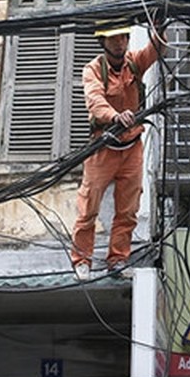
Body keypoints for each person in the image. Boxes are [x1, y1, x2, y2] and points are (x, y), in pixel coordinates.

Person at [70, 21, 165, 280]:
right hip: (103, 147)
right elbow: (95, 101)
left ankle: (118, 261)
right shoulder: (93, 69)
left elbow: (155, 50)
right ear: (103, 42)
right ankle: (82, 260)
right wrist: (114, 116)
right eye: (113, 39)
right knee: (88, 208)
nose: (119, 43)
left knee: (128, 210)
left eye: (122, 37)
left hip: (132, 147)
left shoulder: (134, 62)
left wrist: (161, 26)